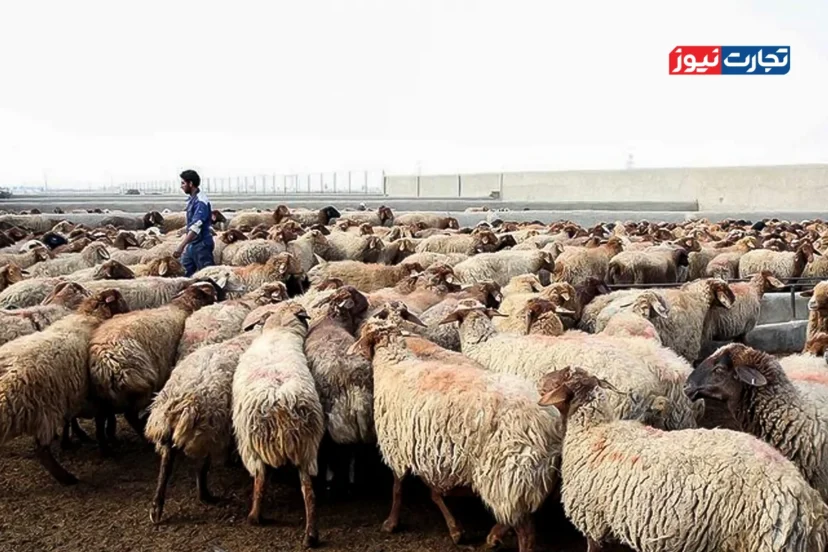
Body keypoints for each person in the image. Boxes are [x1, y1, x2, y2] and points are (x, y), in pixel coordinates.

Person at [173, 169, 215, 276]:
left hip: (202, 245)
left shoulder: (201, 201)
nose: (181, 186)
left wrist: (181, 245)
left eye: (183, 183)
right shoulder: (193, 199)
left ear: (190, 183)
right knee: (182, 274)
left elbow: (196, 226)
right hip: (192, 244)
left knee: (208, 276)